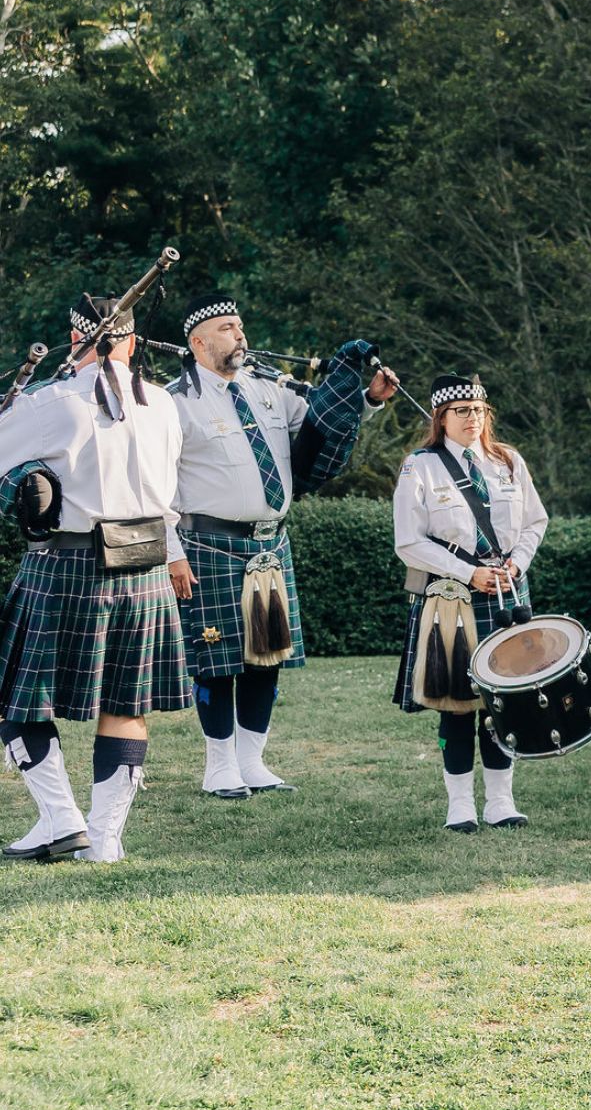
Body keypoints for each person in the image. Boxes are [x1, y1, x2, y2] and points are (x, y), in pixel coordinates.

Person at [164, 291, 402, 799]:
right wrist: (171, 550)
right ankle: (219, 766)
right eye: (228, 327)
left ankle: (252, 762)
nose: (240, 334)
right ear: (199, 341)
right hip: (209, 542)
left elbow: (319, 425)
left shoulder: (268, 390)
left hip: (270, 545)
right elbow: (155, 483)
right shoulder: (175, 402)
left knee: (265, 656)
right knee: (218, 659)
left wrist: (367, 399)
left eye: (241, 325)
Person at [0, 295, 189, 863]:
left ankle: (62, 821)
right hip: (146, 565)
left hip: (66, 563)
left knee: (17, 699)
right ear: (131, 342)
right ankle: (103, 842)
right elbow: (170, 494)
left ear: (77, 340)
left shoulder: (48, 403)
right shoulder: (161, 403)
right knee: (126, 705)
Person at [391, 375, 549, 833]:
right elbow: (408, 541)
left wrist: (517, 564)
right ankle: (459, 805)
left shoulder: (508, 462)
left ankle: (501, 801)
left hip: (507, 594)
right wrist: (469, 572)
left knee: (504, 701)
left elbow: (535, 521)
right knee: (457, 704)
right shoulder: (420, 466)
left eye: (478, 410)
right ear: (441, 418)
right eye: (461, 412)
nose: (472, 419)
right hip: (453, 599)